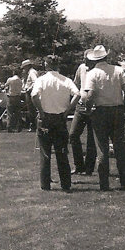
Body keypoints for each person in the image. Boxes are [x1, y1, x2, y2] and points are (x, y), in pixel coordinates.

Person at [80, 45, 125, 191]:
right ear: (106, 57)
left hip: (101, 111)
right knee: (120, 147)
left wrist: (89, 110)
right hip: (117, 110)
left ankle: (104, 184)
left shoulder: (93, 73)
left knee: (102, 149)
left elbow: (89, 96)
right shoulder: (118, 70)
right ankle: (124, 182)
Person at [31, 55, 80, 191]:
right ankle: (65, 183)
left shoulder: (41, 80)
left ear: (46, 65)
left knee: (45, 153)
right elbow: (77, 94)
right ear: (58, 65)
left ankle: (45, 184)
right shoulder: (66, 80)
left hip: (45, 117)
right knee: (62, 152)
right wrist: (68, 110)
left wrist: (40, 110)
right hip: (60, 118)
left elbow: (34, 95)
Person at [69, 50, 98, 175]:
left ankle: (89, 168)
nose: (85, 61)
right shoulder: (81, 68)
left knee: (92, 139)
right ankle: (79, 165)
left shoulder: (97, 71)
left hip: (94, 107)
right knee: (73, 135)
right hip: (80, 106)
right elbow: (76, 83)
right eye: (85, 59)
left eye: (88, 59)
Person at [22, 59, 41, 131]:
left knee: (31, 110)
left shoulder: (32, 72)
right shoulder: (31, 72)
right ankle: (33, 125)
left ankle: (33, 126)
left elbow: (35, 81)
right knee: (31, 110)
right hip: (30, 92)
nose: (24, 69)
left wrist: (29, 88)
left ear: (27, 66)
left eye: (24, 67)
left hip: (30, 93)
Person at [4, 67, 24, 133]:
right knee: (18, 113)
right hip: (18, 97)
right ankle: (19, 127)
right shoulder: (20, 80)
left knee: (10, 113)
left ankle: (9, 126)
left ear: (13, 73)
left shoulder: (10, 79)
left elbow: (5, 85)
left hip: (11, 97)